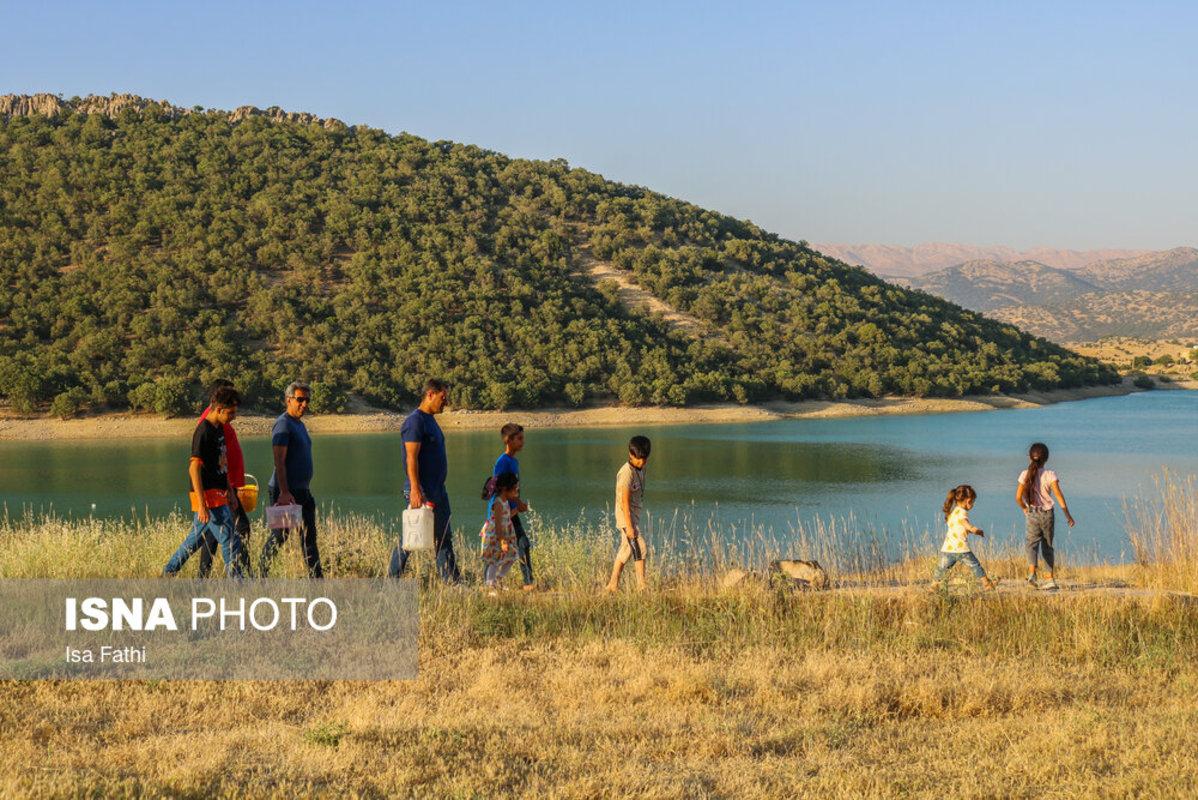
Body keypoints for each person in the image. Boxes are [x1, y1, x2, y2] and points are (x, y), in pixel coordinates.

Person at [163, 386, 244, 578]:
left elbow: (220, 465)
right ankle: (238, 584)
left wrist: (230, 492)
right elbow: (194, 468)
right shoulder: (204, 431)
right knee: (230, 539)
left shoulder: (220, 429)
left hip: (219, 491)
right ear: (218, 410)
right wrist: (202, 504)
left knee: (196, 540)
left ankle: (168, 572)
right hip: (207, 494)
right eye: (231, 413)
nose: (234, 417)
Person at [389, 379, 460, 583]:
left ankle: (451, 581)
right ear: (430, 394)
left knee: (443, 537)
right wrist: (415, 490)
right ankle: (391, 580)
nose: (445, 402)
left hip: (438, 490)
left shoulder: (430, 420)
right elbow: (411, 457)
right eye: (442, 397)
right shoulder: (415, 421)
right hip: (422, 491)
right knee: (411, 539)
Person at [259, 381, 323, 579]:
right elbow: (279, 460)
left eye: (307, 400)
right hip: (284, 491)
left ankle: (317, 580)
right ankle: (259, 575)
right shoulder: (283, 424)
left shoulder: (299, 425)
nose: (304, 404)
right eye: (300, 399)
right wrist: (285, 492)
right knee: (280, 536)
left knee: (309, 537)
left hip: (302, 491)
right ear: (289, 400)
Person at [197, 379, 252, 577]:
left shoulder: (220, 421)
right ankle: (247, 576)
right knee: (241, 529)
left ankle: (201, 580)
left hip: (228, 486)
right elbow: (206, 461)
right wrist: (226, 488)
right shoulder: (210, 423)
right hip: (222, 488)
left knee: (210, 536)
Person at [1016, 442, 1075, 591]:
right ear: (1046, 459)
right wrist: (1068, 515)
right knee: (1047, 546)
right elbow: (1059, 496)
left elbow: (1018, 497)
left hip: (1032, 513)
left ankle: (1032, 574)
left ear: (1029, 458)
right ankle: (1049, 579)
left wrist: (1024, 508)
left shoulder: (1024, 474)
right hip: (1047, 514)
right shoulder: (1050, 475)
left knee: (1031, 544)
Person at [929, 484, 997, 592]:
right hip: (961, 549)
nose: (973, 505)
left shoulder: (953, 512)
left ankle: (933, 587)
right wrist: (973, 529)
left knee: (942, 568)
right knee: (975, 565)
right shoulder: (962, 512)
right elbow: (964, 522)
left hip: (949, 548)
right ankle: (987, 584)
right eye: (973, 502)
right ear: (968, 501)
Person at [605, 435, 651, 593]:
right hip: (626, 516)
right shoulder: (626, 473)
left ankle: (612, 584)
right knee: (640, 546)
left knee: (626, 549)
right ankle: (642, 586)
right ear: (631, 455)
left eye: (644, 459)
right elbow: (624, 501)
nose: (641, 462)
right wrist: (629, 526)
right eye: (638, 459)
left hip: (634, 515)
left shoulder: (642, 467)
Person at [491, 423, 534, 590]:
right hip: (502, 512)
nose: (523, 442)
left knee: (522, 544)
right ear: (508, 440)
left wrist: (517, 503)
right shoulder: (503, 462)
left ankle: (527, 582)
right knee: (505, 546)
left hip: (512, 512)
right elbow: (498, 489)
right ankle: (491, 582)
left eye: (523, 438)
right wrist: (515, 504)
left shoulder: (513, 461)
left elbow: (511, 489)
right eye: (520, 438)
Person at [479, 471, 520, 593]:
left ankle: (499, 578)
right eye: (514, 489)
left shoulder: (505, 501)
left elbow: (506, 517)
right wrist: (502, 541)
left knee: (512, 556)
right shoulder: (498, 503)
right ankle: (490, 585)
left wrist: (517, 509)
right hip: (495, 535)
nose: (516, 492)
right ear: (504, 489)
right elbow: (497, 524)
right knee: (494, 561)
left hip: (502, 534)